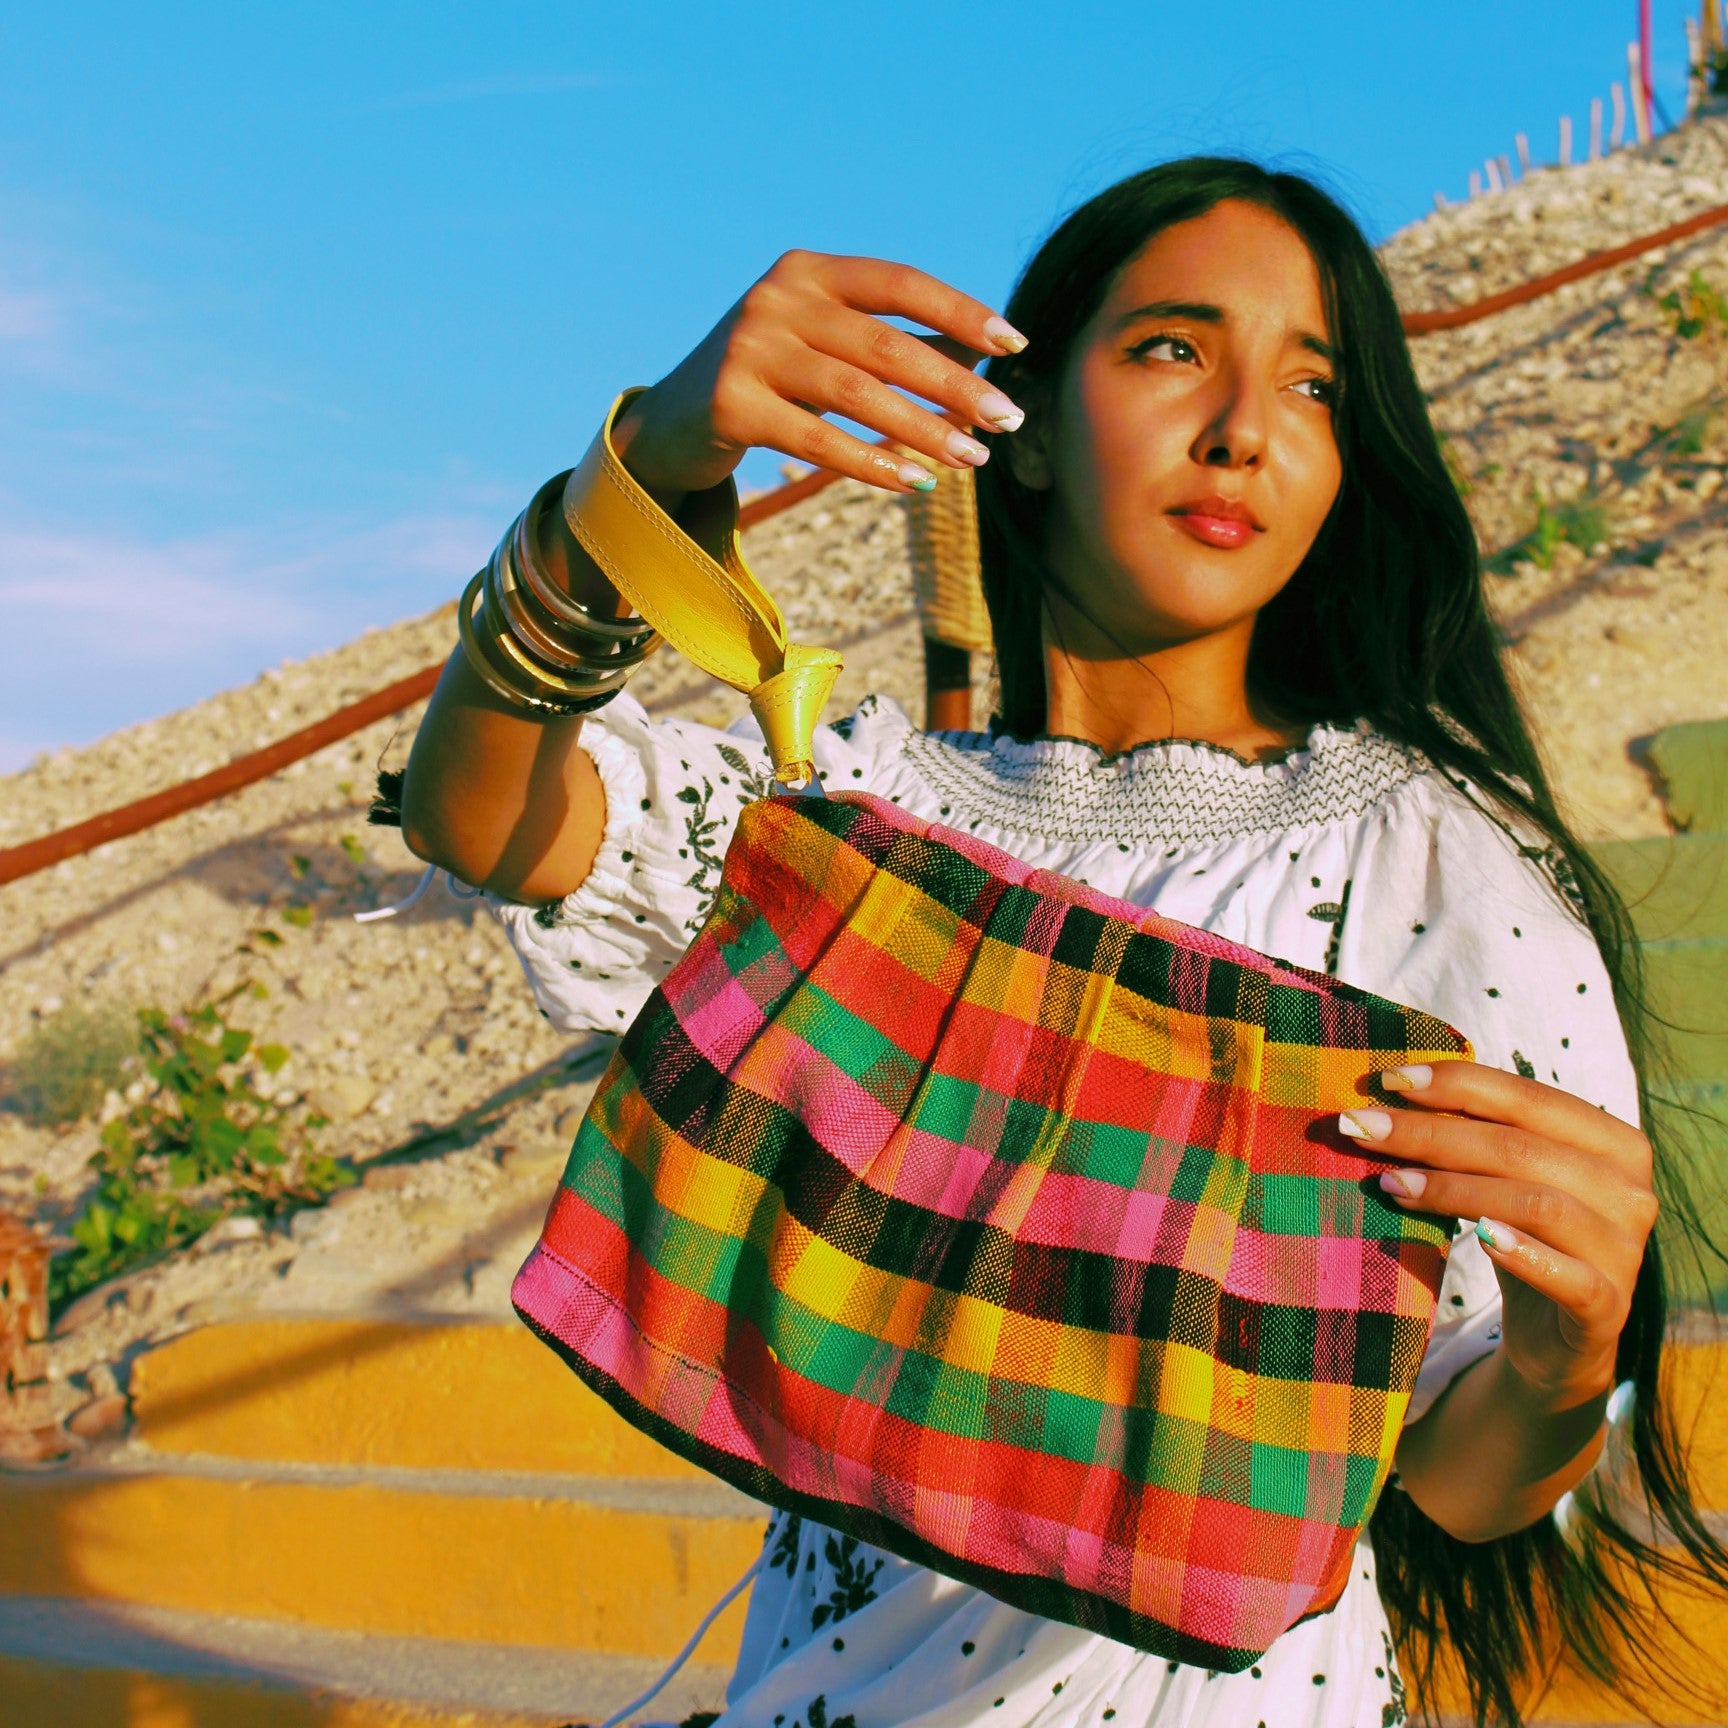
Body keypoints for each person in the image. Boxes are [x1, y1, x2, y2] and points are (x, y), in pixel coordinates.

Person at [396, 158, 1725, 1726]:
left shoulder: (1438, 873)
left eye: (1313, 385)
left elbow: (1457, 1476)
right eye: (1172, 347)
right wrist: (636, 474)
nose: (1243, 426)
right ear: (1019, 433)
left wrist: (1567, 1360)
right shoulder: (857, 815)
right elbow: (485, 817)